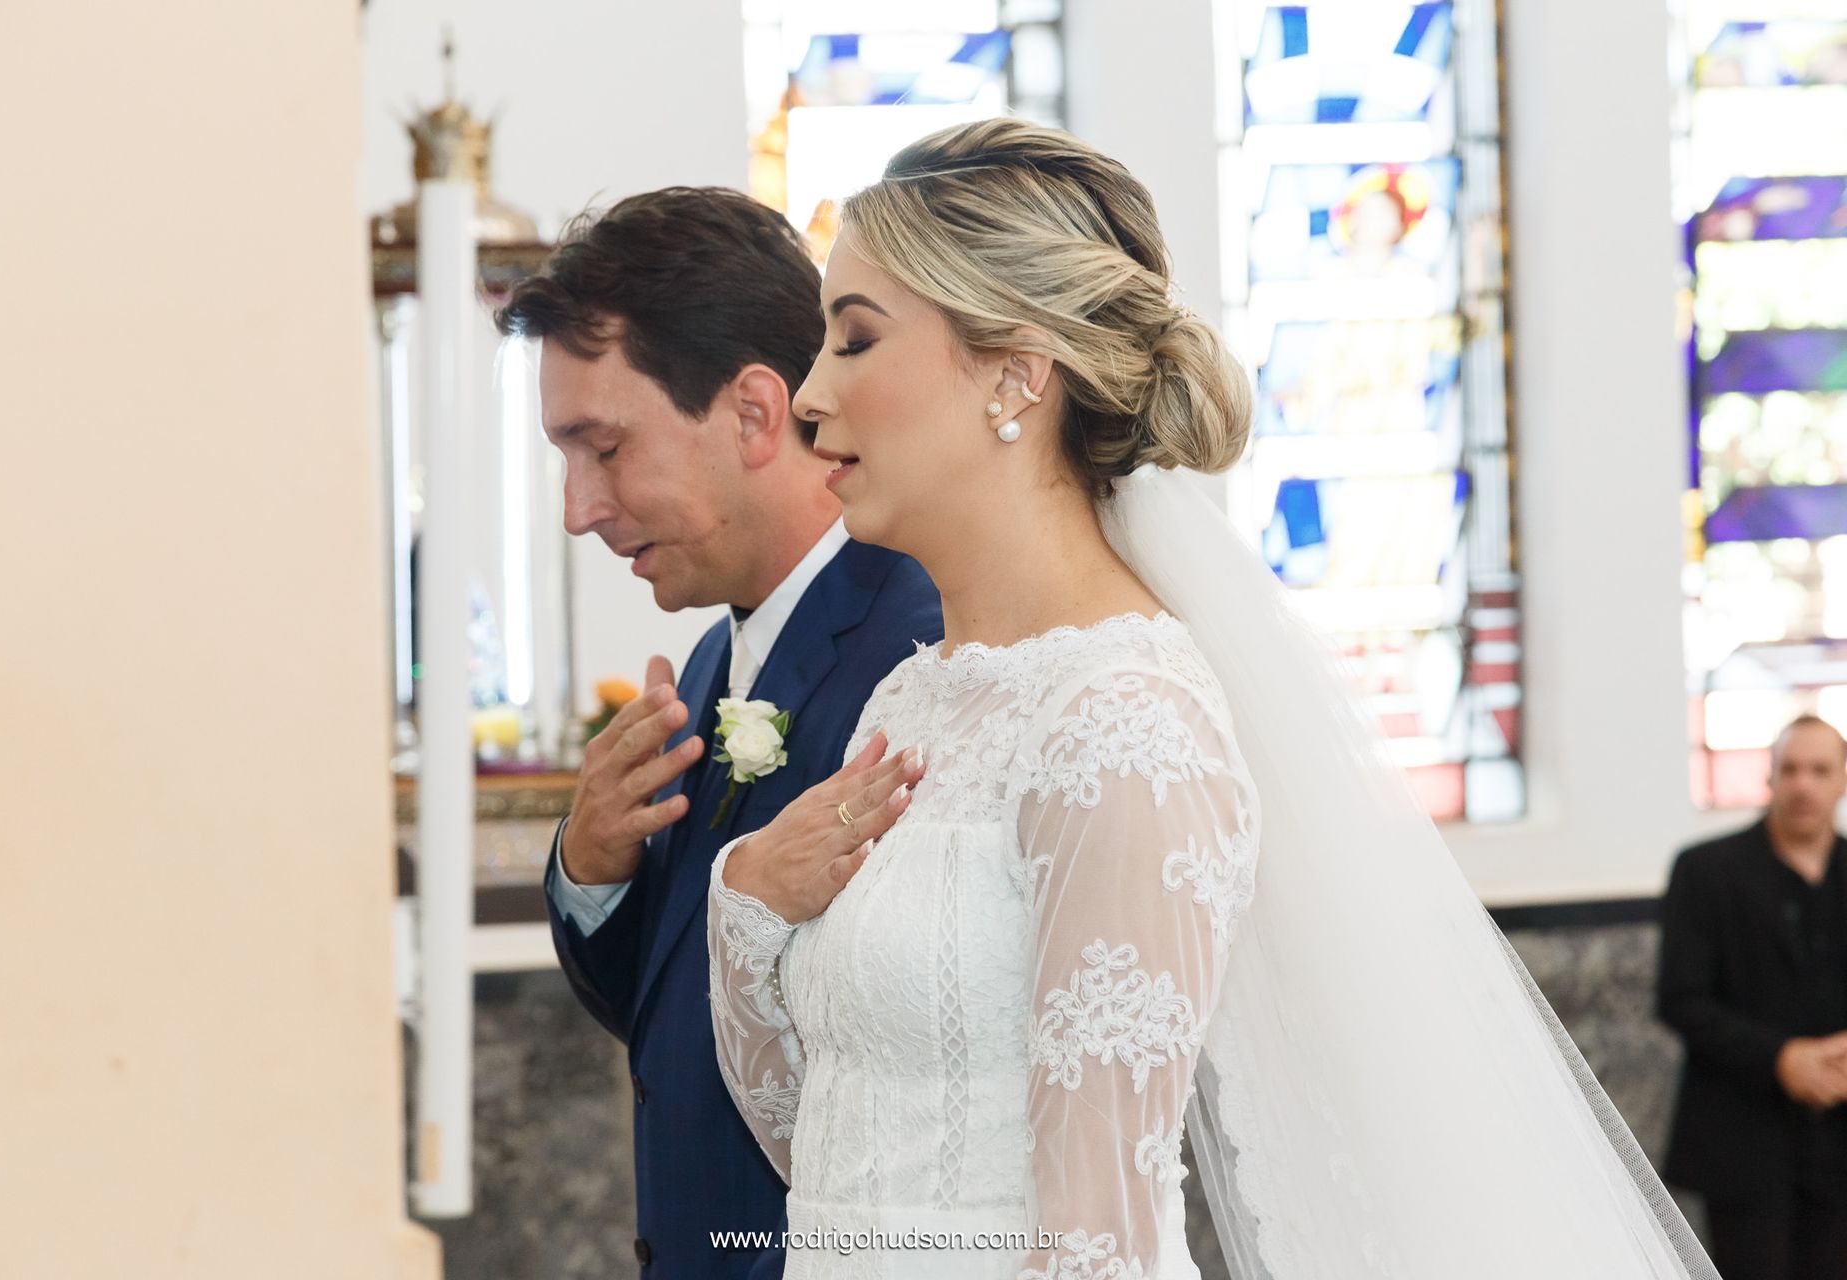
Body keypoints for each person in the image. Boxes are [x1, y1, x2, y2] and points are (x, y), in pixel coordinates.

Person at [703, 119, 1721, 1279]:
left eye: (854, 340)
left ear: (1015, 375)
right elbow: (831, 1153)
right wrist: (745, 897)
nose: (810, 395)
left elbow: (1097, 1236)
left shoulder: (1123, 721)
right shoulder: (920, 692)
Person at [495, 187, 941, 1279]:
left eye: (602, 448)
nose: (577, 508)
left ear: (752, 412)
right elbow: (677, 1017)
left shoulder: (918, 653)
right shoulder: (708, 664)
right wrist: (593, 865)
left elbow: (916, 1062)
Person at [1661, 713, 1847, 1279]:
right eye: (1789, 769)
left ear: (1843, 780)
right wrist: (1782, 1058)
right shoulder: (1705, 871)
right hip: (1743, 1140)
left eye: (1820, 770)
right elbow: (1681, 998)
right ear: (1768, 779)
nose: (1803, 785)